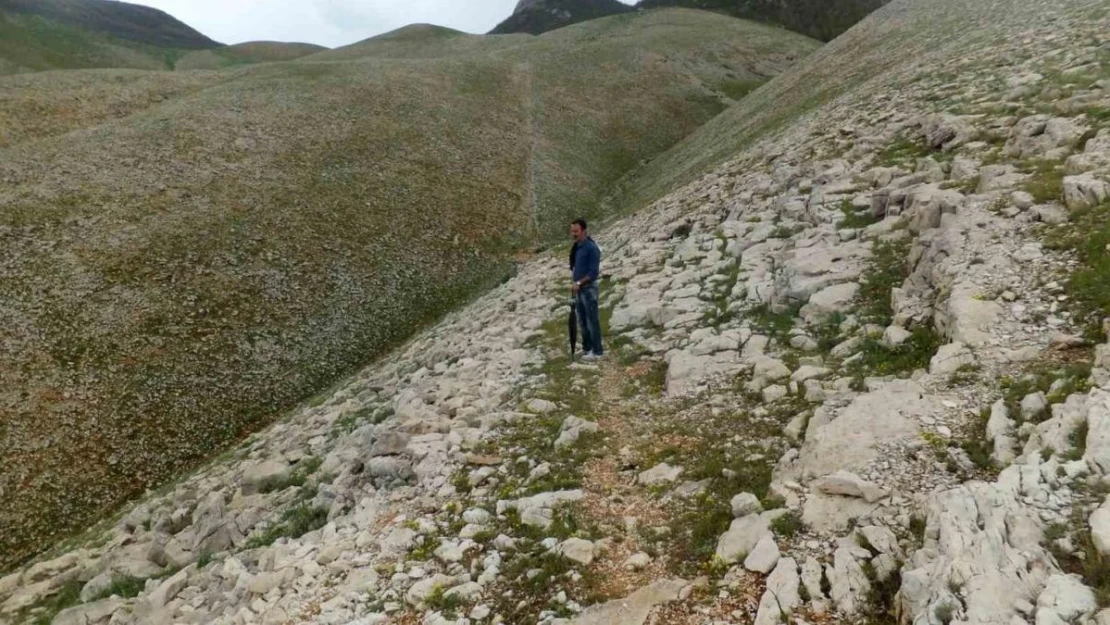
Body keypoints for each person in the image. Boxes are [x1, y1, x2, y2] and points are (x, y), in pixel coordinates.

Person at [570, 218, 603, 360]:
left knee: (592, 320)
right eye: (572, 231)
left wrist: (579, 282)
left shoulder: (591, 248)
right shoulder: (578, 246)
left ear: (584, 231)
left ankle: (597, 352)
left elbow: (593, 272)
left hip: (588, 288)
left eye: (576, 231)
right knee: (582, 321)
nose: (573, 234)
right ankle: (587, 348)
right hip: (579, 288)